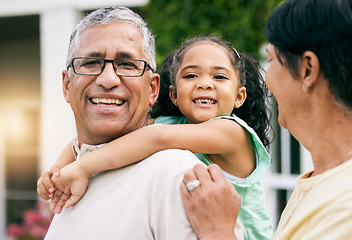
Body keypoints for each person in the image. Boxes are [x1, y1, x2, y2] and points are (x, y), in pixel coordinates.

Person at [39, 6, 244, 240]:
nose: (108, 80)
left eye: (127, 64)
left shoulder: (177, 178)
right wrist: (59, 170)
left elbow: (157, 136)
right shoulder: (77, 175)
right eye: (92, 63)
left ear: (153, 89)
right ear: (67, 85)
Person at [178, 0, 352, 239]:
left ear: (307, 69)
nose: (267, 80)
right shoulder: (330, 180)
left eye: (271, 60)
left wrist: (217, 231)